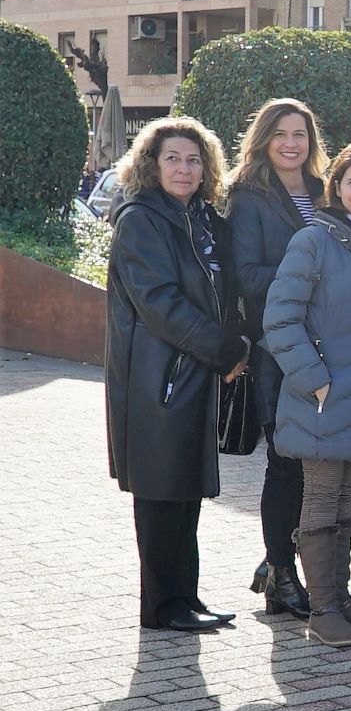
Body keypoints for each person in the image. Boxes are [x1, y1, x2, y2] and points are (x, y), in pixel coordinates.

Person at [104, 117, 249, 631]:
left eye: (193, 160)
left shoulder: (202, 219)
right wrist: (225, 351)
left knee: (185, 493)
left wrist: (236, 340)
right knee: (161, 494)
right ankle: (163, 607)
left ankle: (186, 598)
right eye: (173, 159)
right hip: (156, 377)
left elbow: (223, 292)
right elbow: (160, 304)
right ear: (152, 164)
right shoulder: (141, 220)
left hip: (193, 372)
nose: (184, 169)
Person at [261, 143, 351, 648]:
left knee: (345, 502)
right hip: (322, 397)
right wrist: (315, 380)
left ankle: (340, 599)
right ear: (336, 188)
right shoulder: (314, 240)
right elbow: (280, 319)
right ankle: (322, 609)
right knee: (322, 500)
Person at [224, 98, 329, 621]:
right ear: (263, 139)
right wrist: (312, 274)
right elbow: (245, 275)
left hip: (327, 344)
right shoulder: (248, 196)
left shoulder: (324, 190)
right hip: (276, 346)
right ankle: (282, 575)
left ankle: (288, 569)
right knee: (286, 462)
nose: (292, 143)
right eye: (281, 134)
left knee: (319, 465)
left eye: (300, 134)